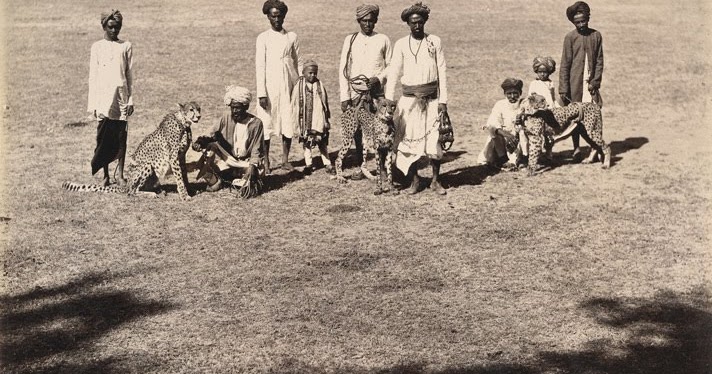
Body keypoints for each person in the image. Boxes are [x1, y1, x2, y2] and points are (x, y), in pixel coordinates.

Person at [385, 2, 448, 195]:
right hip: (409, 101)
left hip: (432, 99)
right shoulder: (401, 44)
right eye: (413, 23)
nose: (417, 26)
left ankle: (436, 181)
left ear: (425, 21)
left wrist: (443, 101)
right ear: (408, 24)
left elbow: (442, 71)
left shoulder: (434, 41)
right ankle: (415, 180)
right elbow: (394, 71)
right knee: (407, 140)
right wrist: (389, 98)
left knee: (435, 140)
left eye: (420, 22)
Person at [338, 3, 392, 180]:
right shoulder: (351, 39)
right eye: (364, 21)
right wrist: (345, 97)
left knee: (380, 130)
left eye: (371, 21)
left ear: (375, 21)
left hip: (377, 95)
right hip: (356, 94)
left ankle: (383, 169)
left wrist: (378, 78)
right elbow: (343, 69)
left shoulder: (383, 39)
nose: (368, 24)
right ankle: (363, 168)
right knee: (358, 131)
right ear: (358, 21)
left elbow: (391, 66)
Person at [88, 9, 134, 187]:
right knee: (104, 137)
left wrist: (131, 100)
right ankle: (106, 175)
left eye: (118, 27)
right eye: (111, 27)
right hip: (102, 99)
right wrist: (93, 104)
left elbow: (130, 76)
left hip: (121, 98)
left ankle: (120, 175)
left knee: (121, 135)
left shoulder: (126, 46)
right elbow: (93, 77)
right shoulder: (97, 47)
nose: (115, 31)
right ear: (104, 26)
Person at [256, 0, 302, 172]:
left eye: (280, 16)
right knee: (267, 124)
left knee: (287, 121)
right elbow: (260, 66)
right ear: (268, 17)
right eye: (273, 16)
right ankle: (266, 161)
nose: (277, 19)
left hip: (289, 86)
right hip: (270, 87)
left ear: (284, 16)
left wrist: (301, 86)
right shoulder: (263, 38)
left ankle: (285, 159)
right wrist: (262, 93)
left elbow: (299, 62)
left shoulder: (292, 37)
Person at [193, 85, 265, 193]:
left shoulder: (256, 123)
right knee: (210, 148)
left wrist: (252, 165)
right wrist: (200, 142)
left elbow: (257, 149)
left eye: (238, 107)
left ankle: (231, 177)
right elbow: (211, 133)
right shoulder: (226, 117)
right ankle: (220, 179)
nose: (234, 111)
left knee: (254, 177)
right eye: (232, 107)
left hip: (246, 162)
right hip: (228, 158)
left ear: (246, 107)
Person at [559, 1, 604, 162]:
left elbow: (599, 61)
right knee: (575, 118)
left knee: (593, 117)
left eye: (583, 21)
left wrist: (595, 82)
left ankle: (595, 148)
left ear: (588, 18)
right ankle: (576, 147)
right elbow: (565, 64)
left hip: (589, 86)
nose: (581, 24)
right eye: (577, 22)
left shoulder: (596, 36)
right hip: (574, 85)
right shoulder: (570, 38)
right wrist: (564, 88)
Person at [291, 60, 333, 175]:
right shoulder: (299, 86)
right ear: (303, 73)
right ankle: (308, 164)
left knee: (322, 143)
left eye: (315, 73)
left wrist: (325, 118)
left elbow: (325, 102)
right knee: (307, 144)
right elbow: (294, 104)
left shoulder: (319, 84)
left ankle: (327, 163)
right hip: (305, 121)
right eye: (310, 73)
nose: (313, 75)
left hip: (318, 119)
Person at [477, 78, 528, 171]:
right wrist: (507, 135)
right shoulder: (500, 105)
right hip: (502, 141)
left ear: (520, 93)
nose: (512, 96)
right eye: (509, 94)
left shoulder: (525, 104)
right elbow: (492, 124)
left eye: (515, 93)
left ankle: (523, 159)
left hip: (520, 139)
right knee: (493, 131)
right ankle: (503, 160)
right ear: (505, 94)